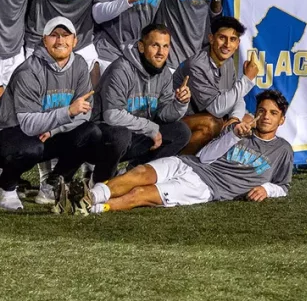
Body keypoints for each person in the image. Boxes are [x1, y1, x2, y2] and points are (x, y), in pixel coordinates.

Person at [70, 89, 293, 215]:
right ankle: (87, 196)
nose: (265, 116)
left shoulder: (282, 150)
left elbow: (283, 186)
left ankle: (89, 208)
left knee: (140, 194)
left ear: (281, 120)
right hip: (190, 164)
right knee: (139, 173)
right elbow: (204, 157)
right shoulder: (239, 131)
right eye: (262, 111)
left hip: (206, 187)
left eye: (273, 113)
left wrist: (266, 188)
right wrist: (234, 134)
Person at [0, 16, 106, 212]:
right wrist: (66, 112)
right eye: (54, 35)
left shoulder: (80, 65)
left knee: (92, 133)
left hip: (45, 132)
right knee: (32, 148)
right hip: (3, 134)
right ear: (44, 40)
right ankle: (4, 186)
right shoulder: (29, 71)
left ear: (75, 41)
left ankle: (52, 185)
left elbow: (84, 114)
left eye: (65, 35)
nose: (60, 41)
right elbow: (28, 124)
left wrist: (55, 129)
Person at [91, 23, 192, 182]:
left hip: (136, 133)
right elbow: (112, 115)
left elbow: (164, 114)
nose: (161, 52)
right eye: (155, 45)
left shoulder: (164, 73)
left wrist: (180, 103)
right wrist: (149, 127)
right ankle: (100, 180)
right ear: (141, 47)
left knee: (181, 131)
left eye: (165, 46)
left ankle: (131, 173)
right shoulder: (121, 69)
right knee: (120, 135)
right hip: (101, 137)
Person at [172, 16, 263, 152]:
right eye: (222, 38)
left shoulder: (228, 62)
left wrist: (234, 120)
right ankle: (180, 163)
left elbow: (236, 98)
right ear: (211, 38)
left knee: (249, 120)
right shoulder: (196, 65)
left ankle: (218, 165)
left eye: (232, 39)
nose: (227, 45)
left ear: (238, 43)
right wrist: (247, 79)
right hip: (175, 123)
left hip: (206, 117)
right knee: (212, 124)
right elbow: (216, 109)